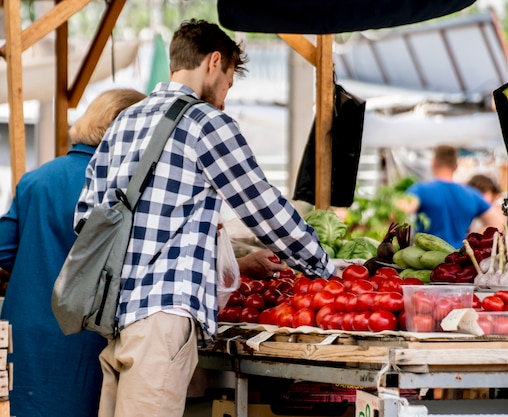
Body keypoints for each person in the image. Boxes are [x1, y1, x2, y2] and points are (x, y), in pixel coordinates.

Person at [75, 19, 336, 417]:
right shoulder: (206, 123)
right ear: (214, 62)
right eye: (229, 84)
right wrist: (323, 268)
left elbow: (86, 219)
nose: (225, 99)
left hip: (114, 315)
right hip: (162, 316)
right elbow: (262, 206)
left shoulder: (125, 121)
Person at [0, 88, 147, 417]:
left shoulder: (35, 180)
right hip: (84, 338)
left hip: (24, 333)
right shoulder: (122, 192)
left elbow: (3, 249)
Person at [405, 145, 503, 249]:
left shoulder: (421, 190)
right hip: (456, 259)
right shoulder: (472, 194)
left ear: (433, 163)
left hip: (425, 258)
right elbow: (498, 223)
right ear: (456, 166)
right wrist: (471, 238)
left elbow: (399, 212)